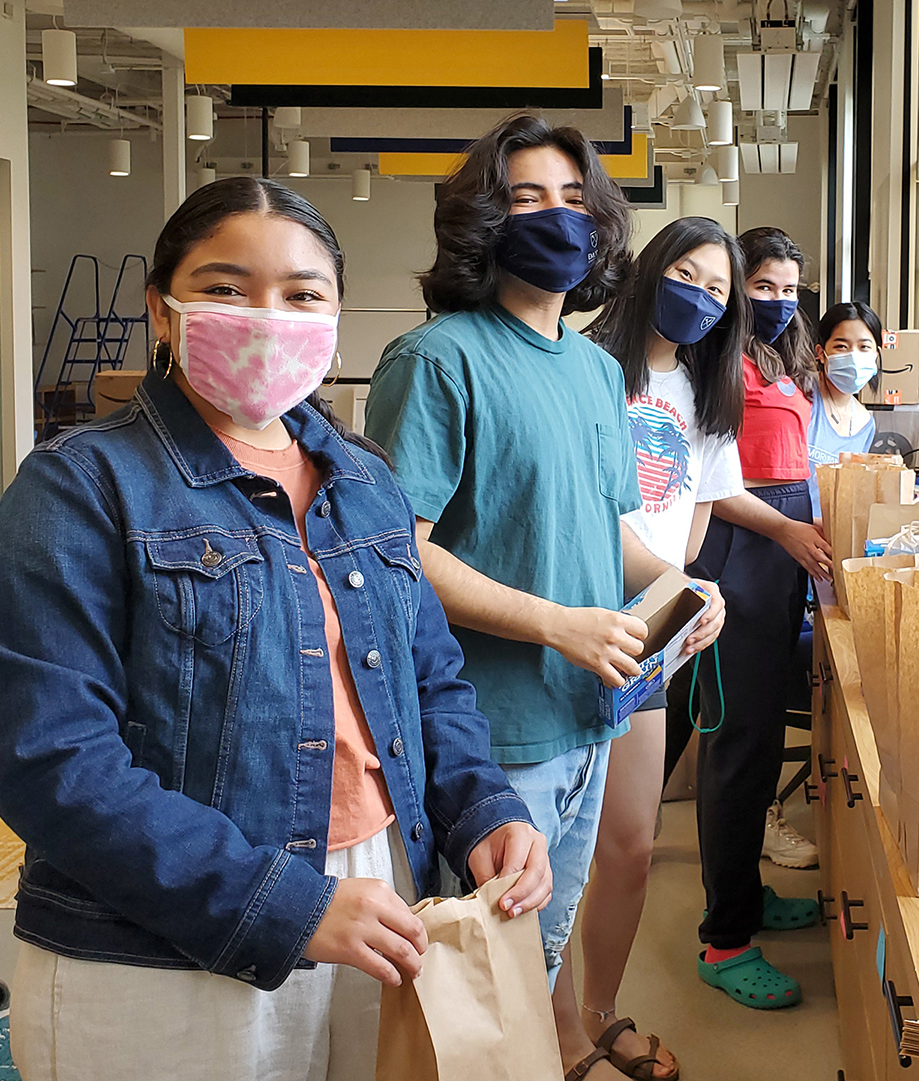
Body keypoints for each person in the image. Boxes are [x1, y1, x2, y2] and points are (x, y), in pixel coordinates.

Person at [0, 177, 552, 1081]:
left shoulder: (363, 475)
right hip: (159, 943)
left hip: (378, 897)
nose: (267, 317)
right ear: (162, 311)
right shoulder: (79, 488)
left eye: (302, 294)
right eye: (227, 288)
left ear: (336, 318)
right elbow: (55, 765)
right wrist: (282, 904)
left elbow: (429, 674)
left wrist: (484, 806)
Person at [363, 115, 725, 1081]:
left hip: (587, 721)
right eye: (527, 198)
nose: (555, 217)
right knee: (477, 982)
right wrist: (556, 623)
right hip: (489, 738)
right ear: (486, 220)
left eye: (573, 198)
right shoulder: (439, 361)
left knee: (541, 957)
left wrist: (679, 584)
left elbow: (605, 527)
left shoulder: (598, 371)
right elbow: (402, 552)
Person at [579, 216, 750, 1080]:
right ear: (651, 270)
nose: (701, 298)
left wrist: (686, 596)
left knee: (630, 845)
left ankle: (596, 1009)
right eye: (689, 274)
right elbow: (580, 517)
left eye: (719, 290)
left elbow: (693, 528)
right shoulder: (584, 369)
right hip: (561, 624)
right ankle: (541, 1027)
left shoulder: (707, 394)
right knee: (539, 843)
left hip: (647, 634)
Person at [666, 227, 829, 1012]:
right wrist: (787, 529)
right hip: (741, 546)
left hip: (779, 550)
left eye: (789, 289)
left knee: (760, 740)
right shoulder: (711, 363)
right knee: (735, 746)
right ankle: (724, 938)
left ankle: (748, 896)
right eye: (761, 286)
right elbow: (713, 484)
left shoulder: (785, 359)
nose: (776, 301)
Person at [804, 301, 885, 514]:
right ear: (821, 353)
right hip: (786, 530)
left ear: (876, 354)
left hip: (829, 534)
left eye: (864, 347)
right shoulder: (799, 396)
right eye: (841, 346)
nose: (853, 355)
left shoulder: (865, 423)